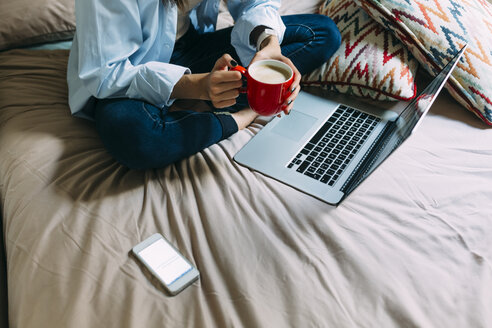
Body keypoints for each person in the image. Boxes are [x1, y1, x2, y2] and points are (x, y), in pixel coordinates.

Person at [67, 0, 341, 170]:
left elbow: (253, 4)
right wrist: (196, 87)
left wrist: (267, 43)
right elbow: (105, 73)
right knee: (138, 139)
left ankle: (208, 101)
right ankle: (242, 114)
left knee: (321, 32)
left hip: (190, 46)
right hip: (131, 68)